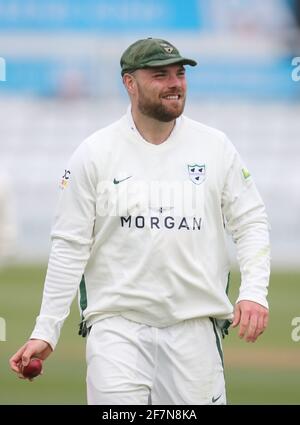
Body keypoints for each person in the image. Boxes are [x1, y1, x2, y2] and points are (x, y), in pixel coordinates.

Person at [10, 38, 270, 405]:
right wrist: (46, 330)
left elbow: (251, 222)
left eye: (180, 74)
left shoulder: (215, 147)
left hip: (194, 331)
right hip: (117, 330)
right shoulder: (95, 153)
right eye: (160, 75)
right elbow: (69, 245)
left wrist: (254, 293)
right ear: (129, 83)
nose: (175, 83)